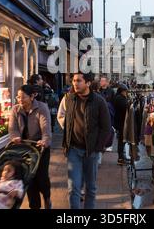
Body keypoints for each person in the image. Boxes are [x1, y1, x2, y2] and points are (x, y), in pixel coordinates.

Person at [62, 72, 110, 209]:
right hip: (73, 150)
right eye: (74, 81)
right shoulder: (69, 99)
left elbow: (106, 127)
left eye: (79, 81)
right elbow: (67, 122)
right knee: (73, 188)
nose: (75, 83)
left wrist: (98, 148)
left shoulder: (99, 101)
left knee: (91, 188)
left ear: (88, 83)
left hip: (91, 151)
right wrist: (66, 144)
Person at [9, 84, 52, 209]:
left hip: (40, 147)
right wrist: (15, 137)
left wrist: (45, 140)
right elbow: (13, 128)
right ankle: (35, 206)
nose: (20, 100)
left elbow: (46, 128)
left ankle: (47, 197)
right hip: (24, 149)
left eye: (23, 97)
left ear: (32, 96)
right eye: (18, 97)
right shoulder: (15, 110)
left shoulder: (42, 108)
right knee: (28, 179)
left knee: (42, 178)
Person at [113, 83, 129, 165]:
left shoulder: (119, 97)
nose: (126, 93)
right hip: (121, 122)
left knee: (122, 140)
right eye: (125, 91)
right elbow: (125, 108)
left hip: (120, 122)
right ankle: (120, 158)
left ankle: (122, 156)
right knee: (121, 140)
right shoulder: (120, 98)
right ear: (122, 91)